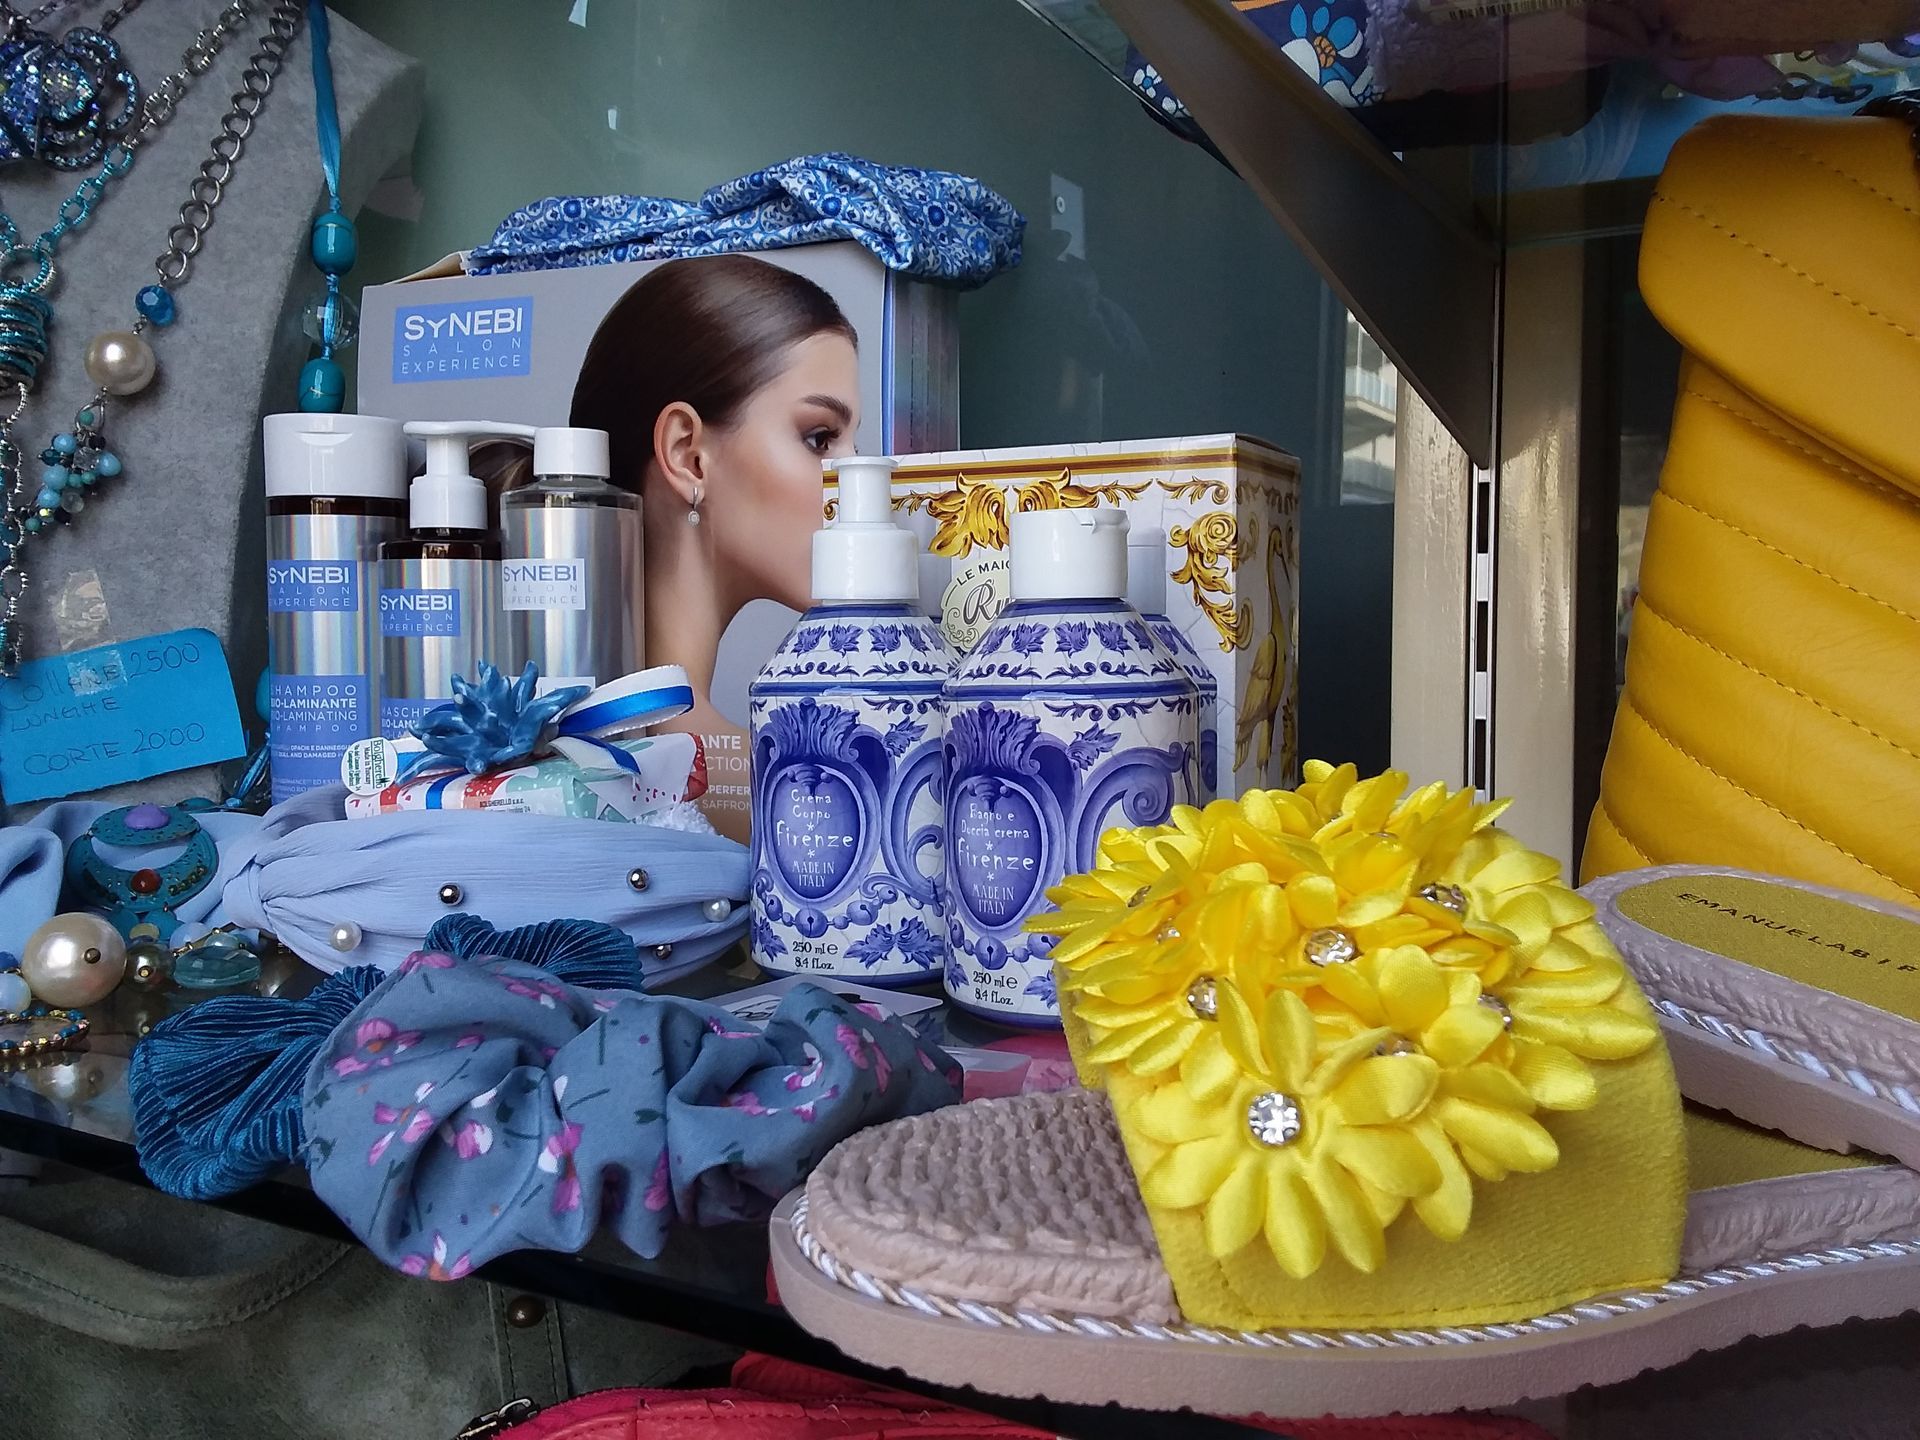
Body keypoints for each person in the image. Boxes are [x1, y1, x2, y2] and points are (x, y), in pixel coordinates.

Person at [571, 255, 861, 843]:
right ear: (689, 456)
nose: (855, 481)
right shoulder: (772, 796)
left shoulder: (575, 743)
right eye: (819, 439)